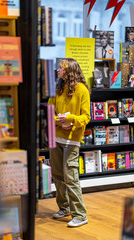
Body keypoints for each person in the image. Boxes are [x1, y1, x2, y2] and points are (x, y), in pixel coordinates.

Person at [48, 58, 91, 228]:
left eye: (61, 68)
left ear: (70, 71)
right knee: (57, 176)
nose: (58, 70)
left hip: (72, 140)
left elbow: (86, 117)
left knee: (70, 177)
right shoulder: (57, 89)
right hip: (55, 138)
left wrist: (71, 119)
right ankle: (64, 208)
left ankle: (80, 215)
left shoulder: (82, 90)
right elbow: (50, 112)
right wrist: (59, 121)